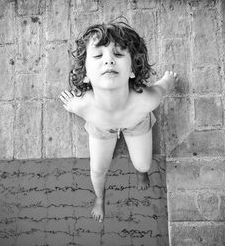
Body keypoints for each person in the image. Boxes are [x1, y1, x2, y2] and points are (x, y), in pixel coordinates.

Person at [59, 21, 177, 223]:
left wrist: (168, 80)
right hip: (101, 128)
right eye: (98, 56)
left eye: (119, 54)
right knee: (97, 170)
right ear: (86, 75)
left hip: (136, 121)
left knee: (143, 163)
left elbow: (161, 89)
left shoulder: (146, 101)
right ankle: (99, 198)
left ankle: (141, 173)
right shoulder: (83, 105)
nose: (108, 61)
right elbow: (74, 106)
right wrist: (72, 105)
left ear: (132, 70)